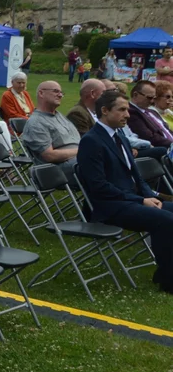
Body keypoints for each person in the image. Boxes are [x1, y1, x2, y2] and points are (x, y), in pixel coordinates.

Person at [77, 89, 173, 293]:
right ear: (104, 110)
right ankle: (168, 280)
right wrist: (140, 201)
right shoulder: (91, 141)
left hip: (131, 199)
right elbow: (99, 187)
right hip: (109, 206)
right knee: (165, 220)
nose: (127, 115)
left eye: (128, 110)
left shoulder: (119, 134)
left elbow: (135, 174)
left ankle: (166, 270)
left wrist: (149, 195)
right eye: (121, 110)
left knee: (169, 210)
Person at [21, 81, 80, 174]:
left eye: (61, 93)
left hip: (76, 161)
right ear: (41, 93)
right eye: (56, 91)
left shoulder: (58, 115)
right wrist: (82, 151)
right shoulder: (36, 123)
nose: (60, 95)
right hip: (57, 170)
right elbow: (49, 156)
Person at [127, 80, 173, 149]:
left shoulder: (151, 111)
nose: (152, 101)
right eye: (149, 98)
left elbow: (167, 130)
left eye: (153, 98)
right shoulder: (131, 112)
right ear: (135, 95)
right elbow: (150, 137)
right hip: (163, 148)